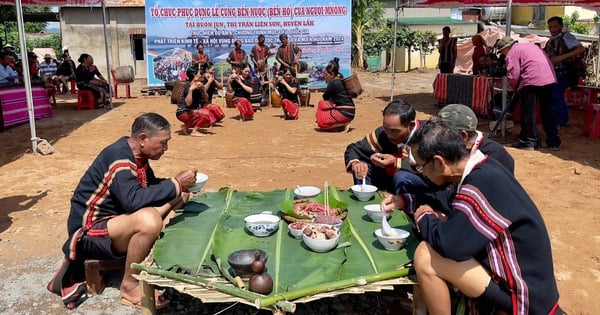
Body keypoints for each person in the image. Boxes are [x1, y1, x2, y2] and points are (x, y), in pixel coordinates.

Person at [381, 120, 563, 315]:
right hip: (538, 290)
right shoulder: (484, 167)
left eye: (420, 167)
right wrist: (409, 201)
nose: (421, 173)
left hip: (524, 299)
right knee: (443, 224)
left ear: (439, 162)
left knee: (426, 256)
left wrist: (425, 217)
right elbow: (446, 201)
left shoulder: (479, 185)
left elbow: (451, 246)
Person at [46, 113, 198, 310]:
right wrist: (175, 183)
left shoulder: (137, 156)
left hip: (115, 224)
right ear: (143, 139)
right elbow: (132, 201)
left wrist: (178, 186)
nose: (166, 149)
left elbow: (149, 187)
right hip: (89, 232)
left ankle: (149, 252)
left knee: (181, 195)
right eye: (163, 143)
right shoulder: (118, 157)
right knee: (148, 220)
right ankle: (130, 285)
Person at [393, 104, 515, 215]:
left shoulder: (492, 156)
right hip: (446, 192)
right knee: (404, 179)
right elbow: (436, 177)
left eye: (442, 135)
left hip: (474, 207)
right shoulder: (453, 153)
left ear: (462, 136)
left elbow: (486, 203)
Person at [495, 37, 561, 151]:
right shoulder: (531, 46)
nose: (502, 54)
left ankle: (530, 141)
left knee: (528, 113)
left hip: (531, 80)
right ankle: (553, 141)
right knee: (547, 111)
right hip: (549, 79)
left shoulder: (512, 52)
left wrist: (515, 87)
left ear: (506, 47)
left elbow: (514, 73)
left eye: (502, 51)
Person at [344, 100, 422, 193]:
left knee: (402, 177)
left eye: (394, 131)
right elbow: (355, 149)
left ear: (411, 125)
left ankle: (406, 204)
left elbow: (434, 171)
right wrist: (355, 164)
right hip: (388, 182)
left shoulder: (428, 136)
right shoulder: (382, 134)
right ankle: (365, 198)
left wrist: (396, 162)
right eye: (386, 128)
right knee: (364, 165)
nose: (389, 135)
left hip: (422, 188)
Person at [544, 16, 586, 128]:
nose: (552, 29)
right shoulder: (551, 40)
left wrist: (561, 57)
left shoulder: (567, 37)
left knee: (556, 94)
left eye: (555, 26)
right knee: (554, 95)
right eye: (550, 27)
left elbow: (581, 49)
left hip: (567, 72)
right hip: (556, 73)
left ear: (561, 26)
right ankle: (561, 119)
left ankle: (561, 120)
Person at [316, 57, 355, 131]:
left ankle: (344, 123)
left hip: (344, 112)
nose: (326, 76)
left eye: (327, 75)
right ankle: (340, 125)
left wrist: (328, 83)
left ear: (332, 74)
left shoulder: (333, 83)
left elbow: (325, 97)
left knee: (321, 123)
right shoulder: (342, 80)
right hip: (351, 112)